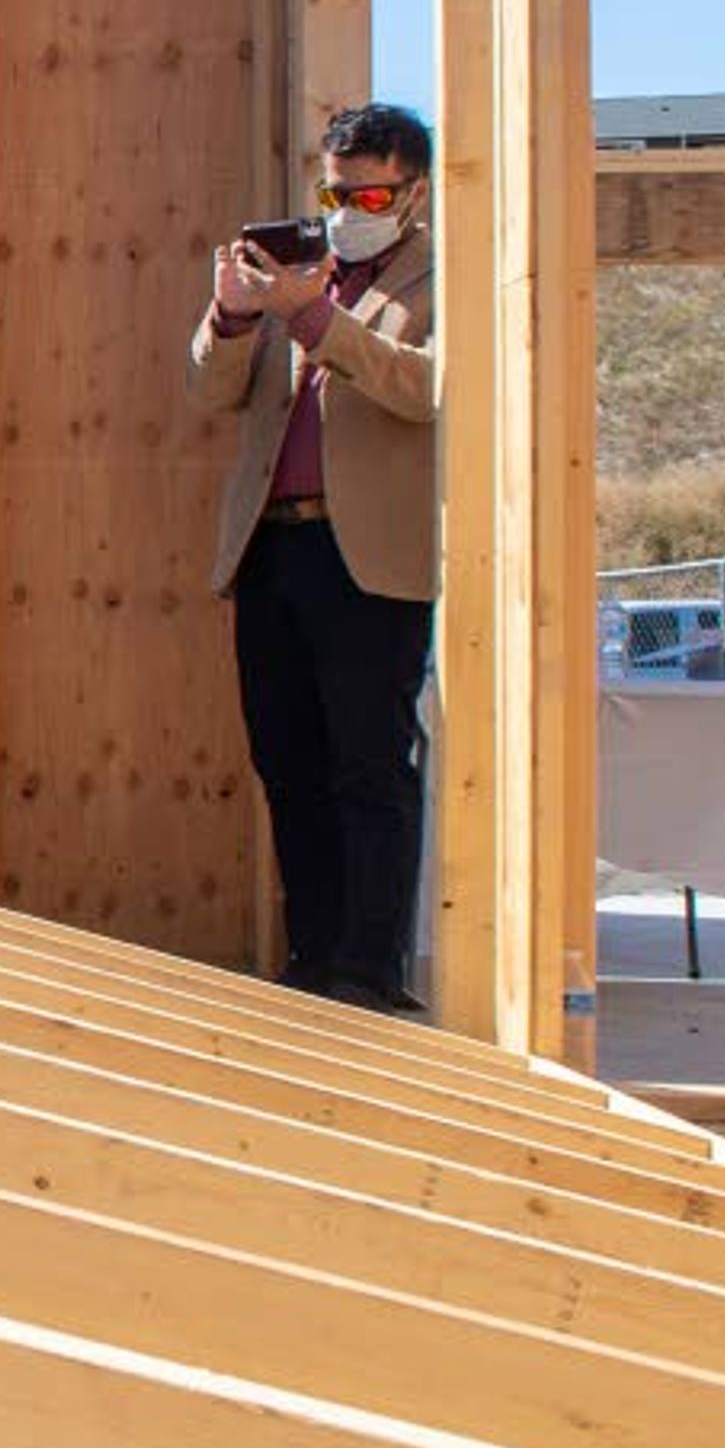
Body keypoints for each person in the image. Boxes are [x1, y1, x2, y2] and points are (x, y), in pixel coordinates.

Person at [192, 101, 442, 1012]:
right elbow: (212, 392)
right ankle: (313, 957)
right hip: (273, 543)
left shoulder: (442, 275)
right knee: (286, 758)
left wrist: (313, 322)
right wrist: (229, 315)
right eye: (334, 191)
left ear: (416, 190)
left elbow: (426, 390)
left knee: (370, 764)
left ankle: (371, 972)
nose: (349, 207)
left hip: (367, 550)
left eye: (369, 191)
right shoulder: (305, 268)